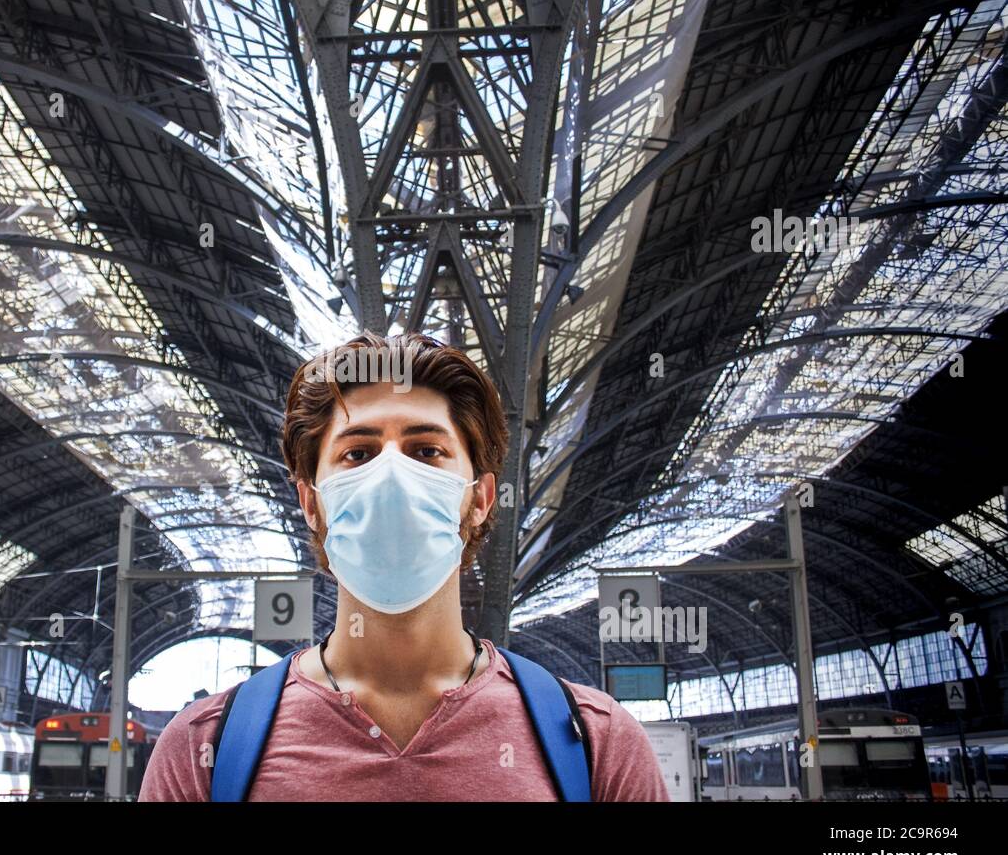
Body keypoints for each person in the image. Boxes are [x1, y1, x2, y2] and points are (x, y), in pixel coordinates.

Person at [139, 331, 668, 801]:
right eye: (358, 453)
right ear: (311, 502)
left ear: (480, 498)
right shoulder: (200, 751)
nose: (392, 472)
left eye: (426, 450)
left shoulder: (598, 746)